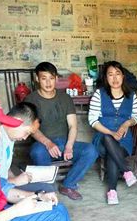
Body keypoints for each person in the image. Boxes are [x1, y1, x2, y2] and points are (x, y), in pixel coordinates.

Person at [25, 61, 98, 201]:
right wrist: (48, 143)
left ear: (56, 79)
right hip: (43, 144)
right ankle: (46, 190)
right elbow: (32, 129)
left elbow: (73, 126)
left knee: (91, 150)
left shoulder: (65, 98)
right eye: (44, 78)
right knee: (37, 152)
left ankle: (68, 184)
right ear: (37, 79)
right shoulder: (31, 100)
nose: (48, 82)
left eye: (51, 78)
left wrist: (69, 146)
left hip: (64, 143)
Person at [87, 61, 137, 205]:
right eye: (110, 74)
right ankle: (126, 171)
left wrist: (126, 124)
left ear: (123, 76)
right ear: (106, 77)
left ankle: (112, 192)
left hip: (124, 140)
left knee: (113, 153)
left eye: (118, 74)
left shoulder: (131, 95)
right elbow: (92, 120)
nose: (115, 78)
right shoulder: (99, 94)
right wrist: (111, 132)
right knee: (107, 139)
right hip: (102, 138)